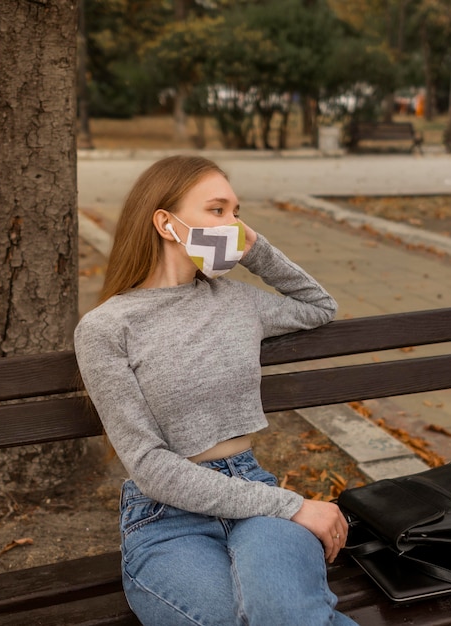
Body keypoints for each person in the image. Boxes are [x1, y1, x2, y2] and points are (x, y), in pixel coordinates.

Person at [74, 155, 357, 626]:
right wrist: (294, 506)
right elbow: (150, 467)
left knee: (287, 614)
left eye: (237, 212)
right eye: (218, 210)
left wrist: (255, 249)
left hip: (252, 490)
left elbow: (319, 306)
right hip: (166, 518)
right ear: (166, 223)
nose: (235, 225)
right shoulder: (107, 328)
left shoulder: (237, 302)